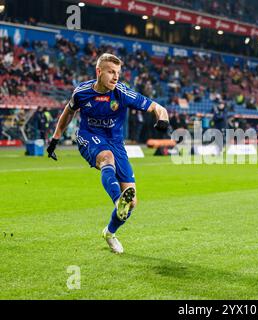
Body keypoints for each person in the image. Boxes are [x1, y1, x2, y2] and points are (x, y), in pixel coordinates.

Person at [46, 53, 169, 254]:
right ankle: (116, 199)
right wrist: (55, 138)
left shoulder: (122, 93)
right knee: (106, 158)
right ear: (99, 71)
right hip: (89, 136)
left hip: (116, 142)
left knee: (132, 204)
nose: (115, 77)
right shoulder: (82, 92)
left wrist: (162, 120)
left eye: (118, 73)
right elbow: (68, 113)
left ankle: (110, 232)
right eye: (111, 72)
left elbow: (158, 107)